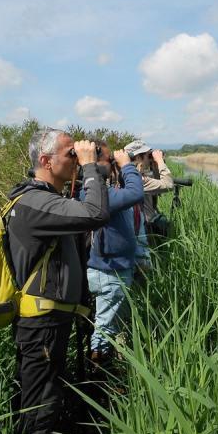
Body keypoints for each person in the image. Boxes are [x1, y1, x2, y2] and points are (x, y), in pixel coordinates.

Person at [7, 128, 109, 434]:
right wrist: (92, 168)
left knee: (44, 398)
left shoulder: (48, 201)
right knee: (40, 408)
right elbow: (95, 213)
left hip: (50, 325)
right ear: (45, 161)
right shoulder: (35, 204)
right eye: (71, 155)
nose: (77, 160)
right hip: (41, 328)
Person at [81, 141, 144, 366]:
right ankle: (100, 376)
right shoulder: (101, 197)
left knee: (108, 323)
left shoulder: (99, 193)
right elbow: (136, 193)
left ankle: (107, 364)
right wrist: (126, 165)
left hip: (110, 270)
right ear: (95, 162)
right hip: (110, 272)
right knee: (104, 327)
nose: (112, 163)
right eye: (109, 160)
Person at [123, 140, 174, 240]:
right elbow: (168, 185)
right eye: (147, 155)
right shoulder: (138, 179)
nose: (149, 158)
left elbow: (156, 181)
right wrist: (160, 161)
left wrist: (154, 165)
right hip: (144, 228)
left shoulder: (125, 174)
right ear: (138, 157)